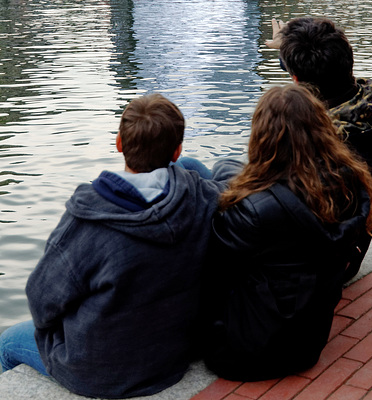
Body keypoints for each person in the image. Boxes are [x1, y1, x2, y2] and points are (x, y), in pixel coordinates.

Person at [0, 94, 224, 398]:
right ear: (177, 150)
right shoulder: (202, 199)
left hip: (99, 370)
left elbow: (42, 300)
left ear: (119, 143)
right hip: (172, 357)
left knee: (7, 344)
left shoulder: (89, 221)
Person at [202, 84, 372, 382]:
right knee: (226, 168)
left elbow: (215, 275)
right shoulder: (350, 187)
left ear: (262, 136)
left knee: (213, 171)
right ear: (321, 129)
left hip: (242, 352)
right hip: (307, 345)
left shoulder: (250, 211)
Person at [265, 16, 372, 279]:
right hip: (355, 243)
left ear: (296, 80)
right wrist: (285, 52)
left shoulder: (315, 135)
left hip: (326, 263)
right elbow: (313, 76)